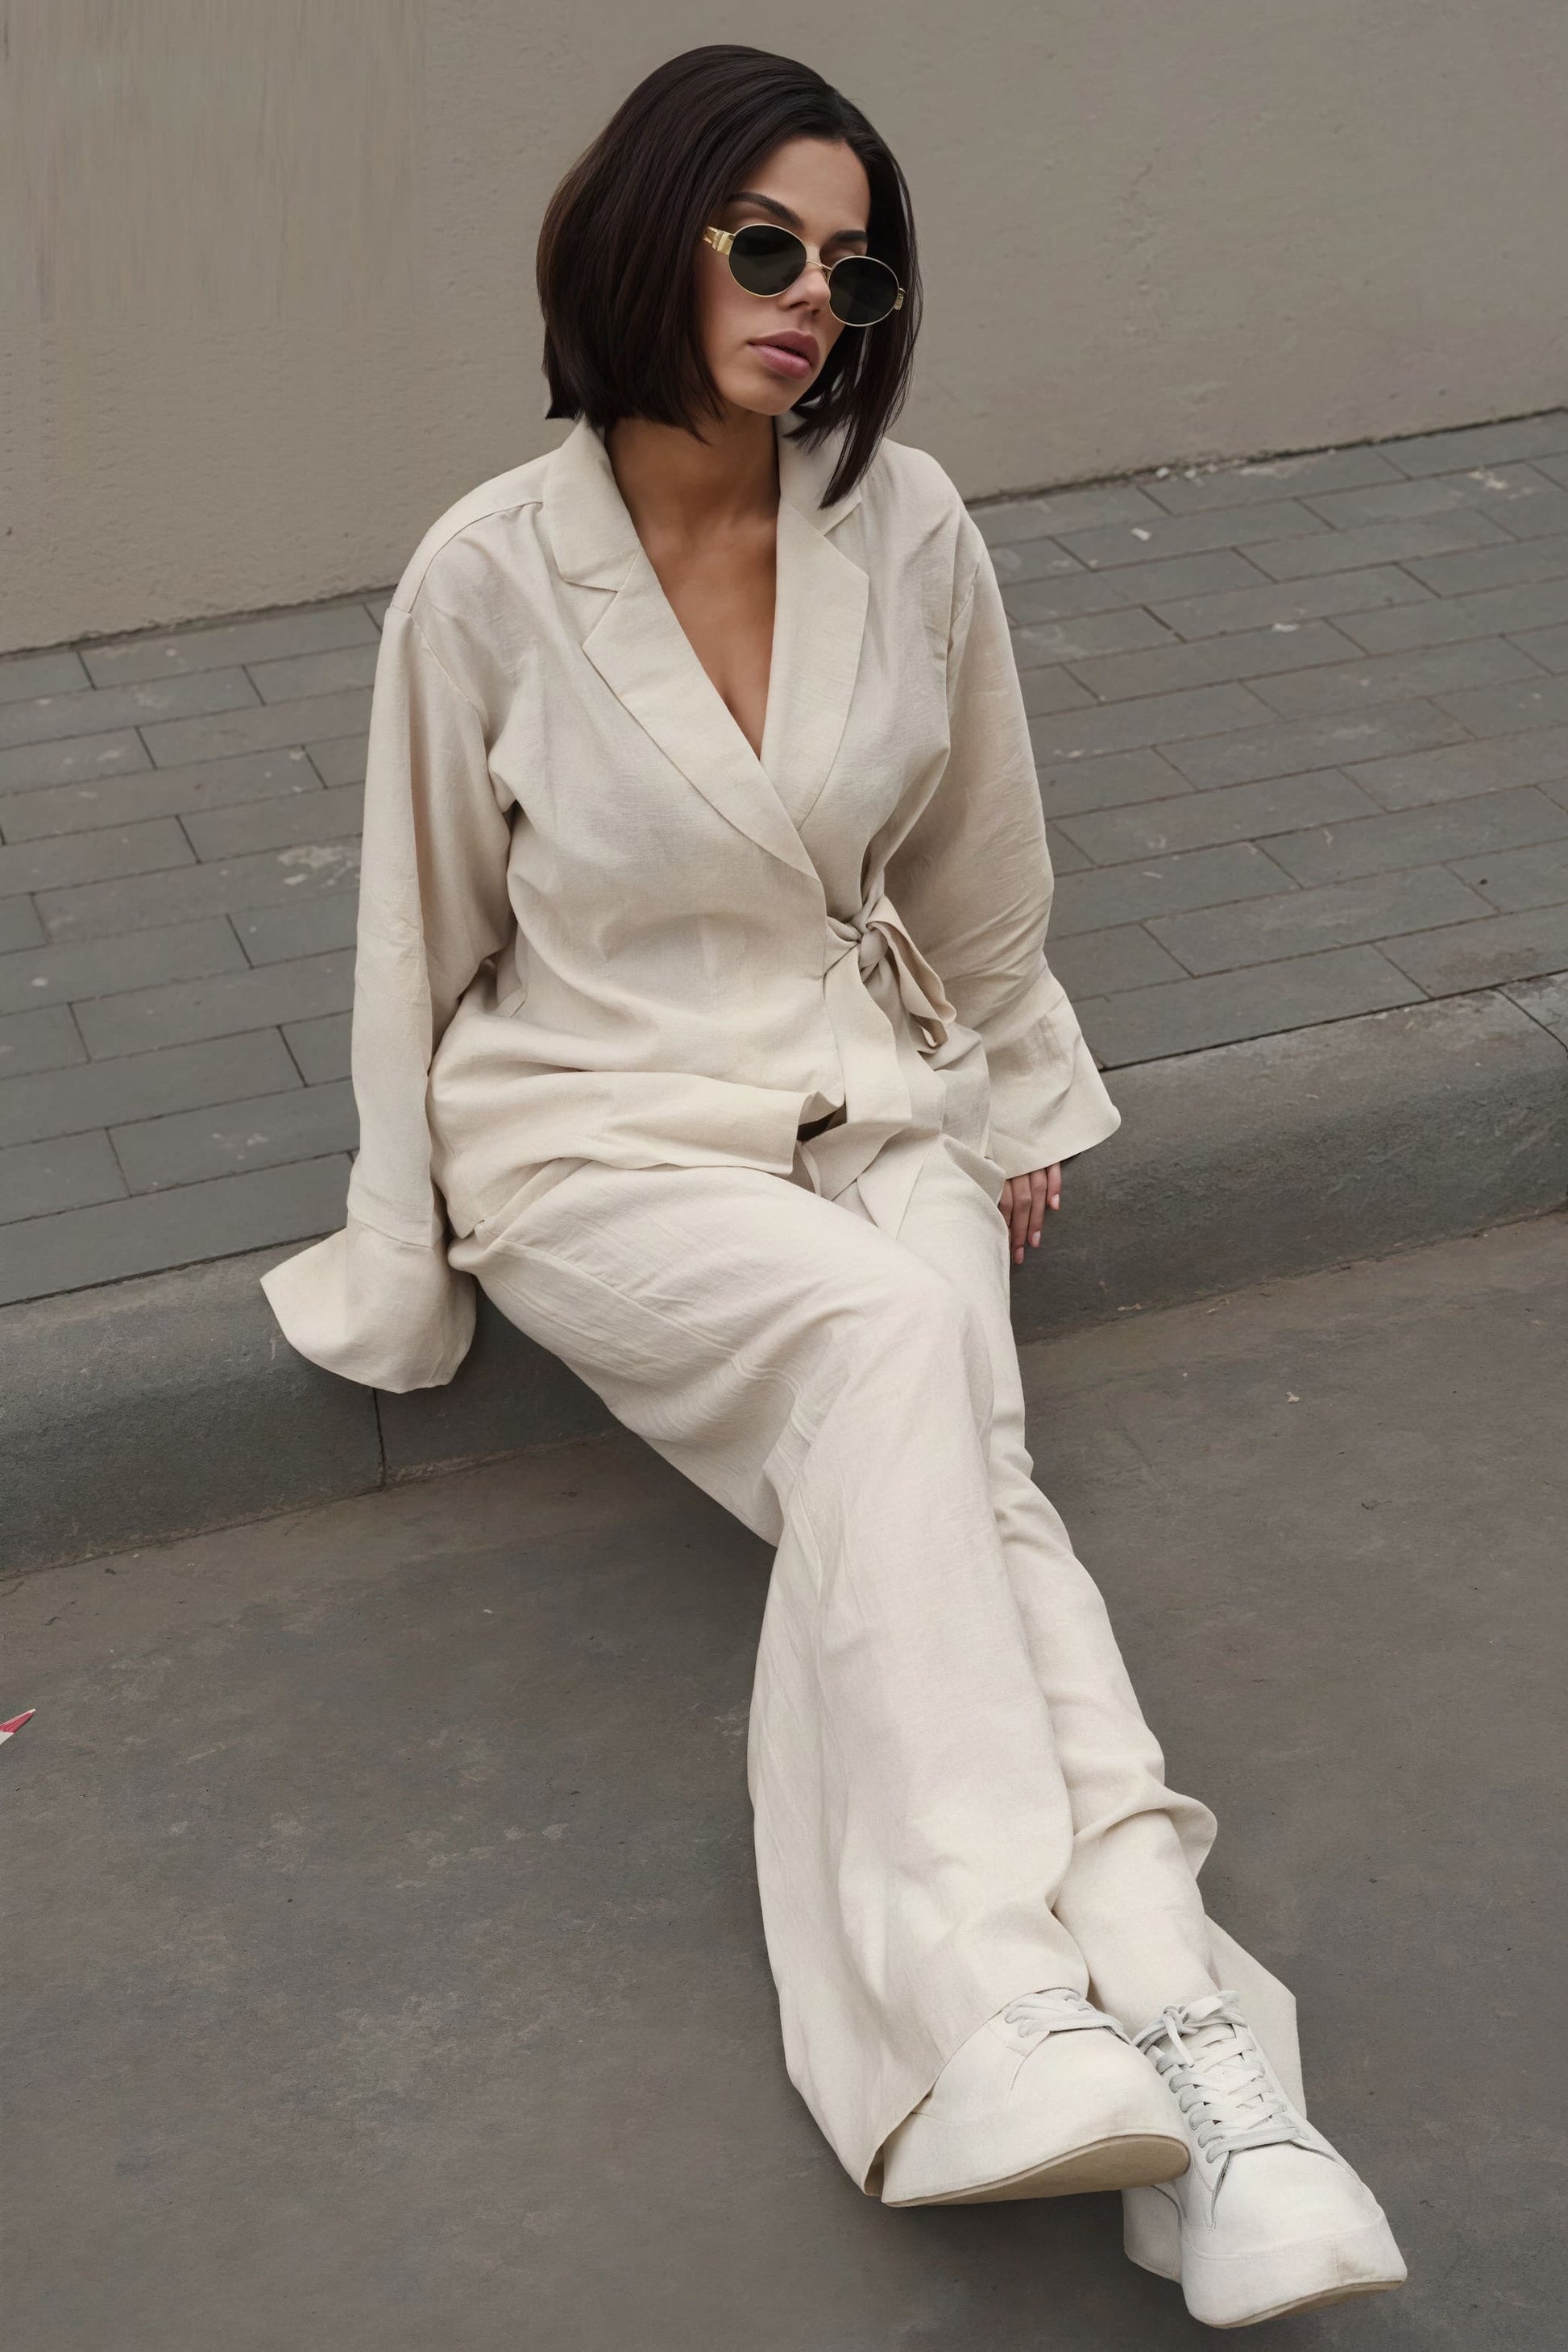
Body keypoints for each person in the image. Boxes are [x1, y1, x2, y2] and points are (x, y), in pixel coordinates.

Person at [259, 44, 1404, 2329]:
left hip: (870, 1088)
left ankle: (1162, 2065)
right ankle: (1046, 2009)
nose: (811, 300)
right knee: (905, 1362)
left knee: (957, 1471)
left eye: (851, 271)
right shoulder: (486, 575)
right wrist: (403, 1254)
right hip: (593, 1128)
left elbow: (980, 854)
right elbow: (414, 927)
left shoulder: (911, 524)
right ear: (648, 238)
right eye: (766, 245)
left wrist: (1009, 1105)